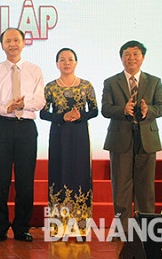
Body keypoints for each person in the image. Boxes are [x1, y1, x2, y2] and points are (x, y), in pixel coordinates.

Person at [0, 28, 45, 242]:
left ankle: (22, 227)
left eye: (16, 40)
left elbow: (41, 100)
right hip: (2, 126)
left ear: (23, 43)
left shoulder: (34, 70)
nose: (12, 44)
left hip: (26, 127)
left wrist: (23, 104)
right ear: (2, 45)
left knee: (25, 179)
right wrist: (6, 108)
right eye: (8, 40)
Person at [102, 40, 162, 231]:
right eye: (127, 54)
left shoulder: (154, 81)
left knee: (146, 188)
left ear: (143, 58)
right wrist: (122, 110)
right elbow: (106, 109)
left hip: (147, 139)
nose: (131, 58)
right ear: (121, 58)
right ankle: (121, 230)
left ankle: (146, 230)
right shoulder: (111, 82)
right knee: (120, 187)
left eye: (136, 54)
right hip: (120, 139)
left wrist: (149, 111)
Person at [40, 48, 98, 238]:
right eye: (62, 60)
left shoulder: (86, 85)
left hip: (80, 135)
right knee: (59, 173)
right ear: (57, 64)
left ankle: (81, 226)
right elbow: (42, 113)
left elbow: (95, 110)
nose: (66, 63)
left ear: (76, 62)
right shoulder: (50, 87)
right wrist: (61, 116)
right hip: (58, 134)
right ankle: (58, 226)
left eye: (70, 59)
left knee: (80, 174)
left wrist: (81, 115)